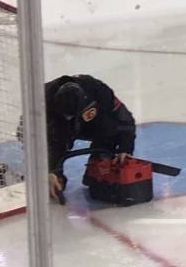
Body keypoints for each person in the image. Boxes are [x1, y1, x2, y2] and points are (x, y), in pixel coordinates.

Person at [44, 75, 137, 203]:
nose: (69, 118)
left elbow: (125, 120)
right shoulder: (41, 101)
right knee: (52, 144)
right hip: (56, 130)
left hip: (86, 124)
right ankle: (56, 176)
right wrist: (48, 170)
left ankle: (99, 160)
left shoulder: (97, 90)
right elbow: (32, 139)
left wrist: (125, 148)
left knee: (111, 126)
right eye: (67, 115)